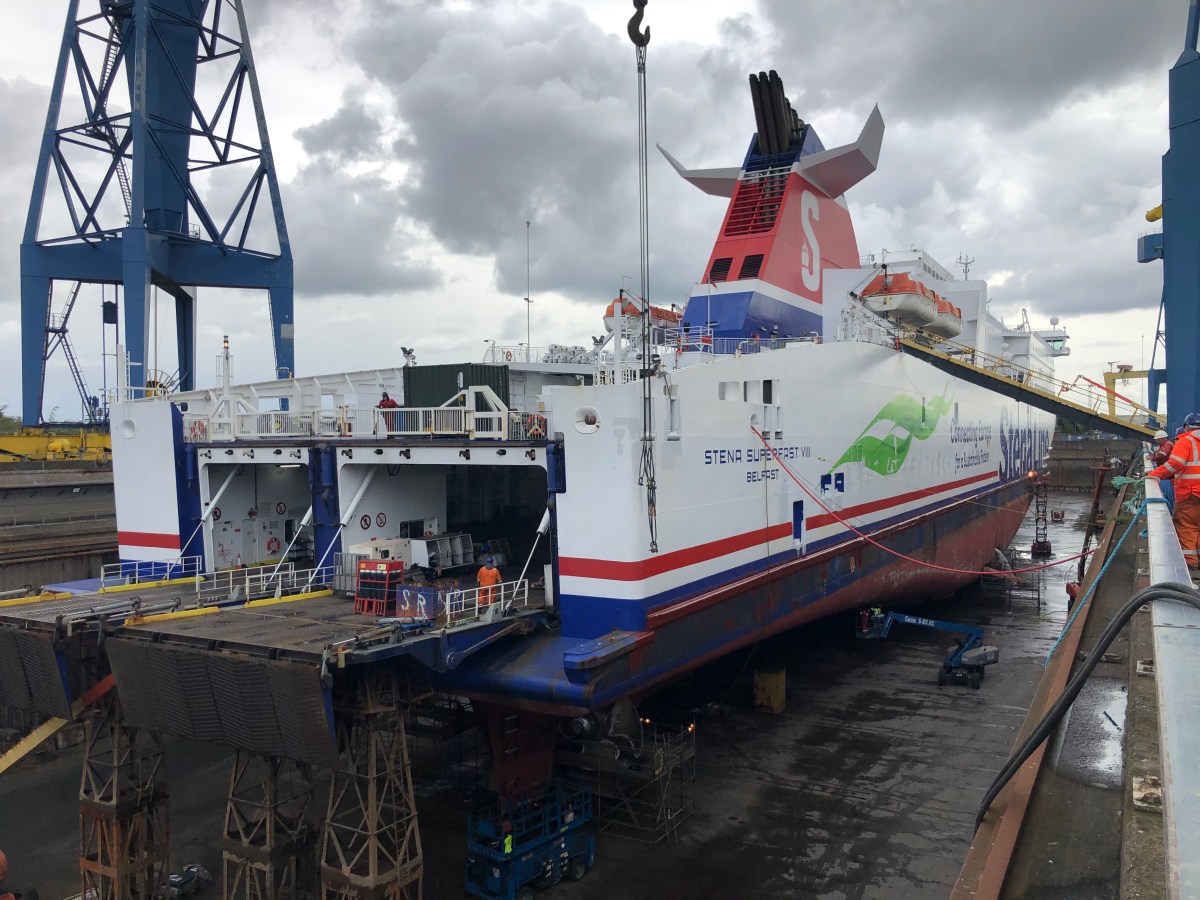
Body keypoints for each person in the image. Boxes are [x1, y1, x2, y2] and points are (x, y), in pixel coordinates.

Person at [1147, 412, 1200, 570]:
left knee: (1187, 526)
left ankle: (1190, 562)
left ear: (1186, 427)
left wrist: (1153, 474)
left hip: (1189, 492)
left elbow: (1174, 465)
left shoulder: (1185, 441)